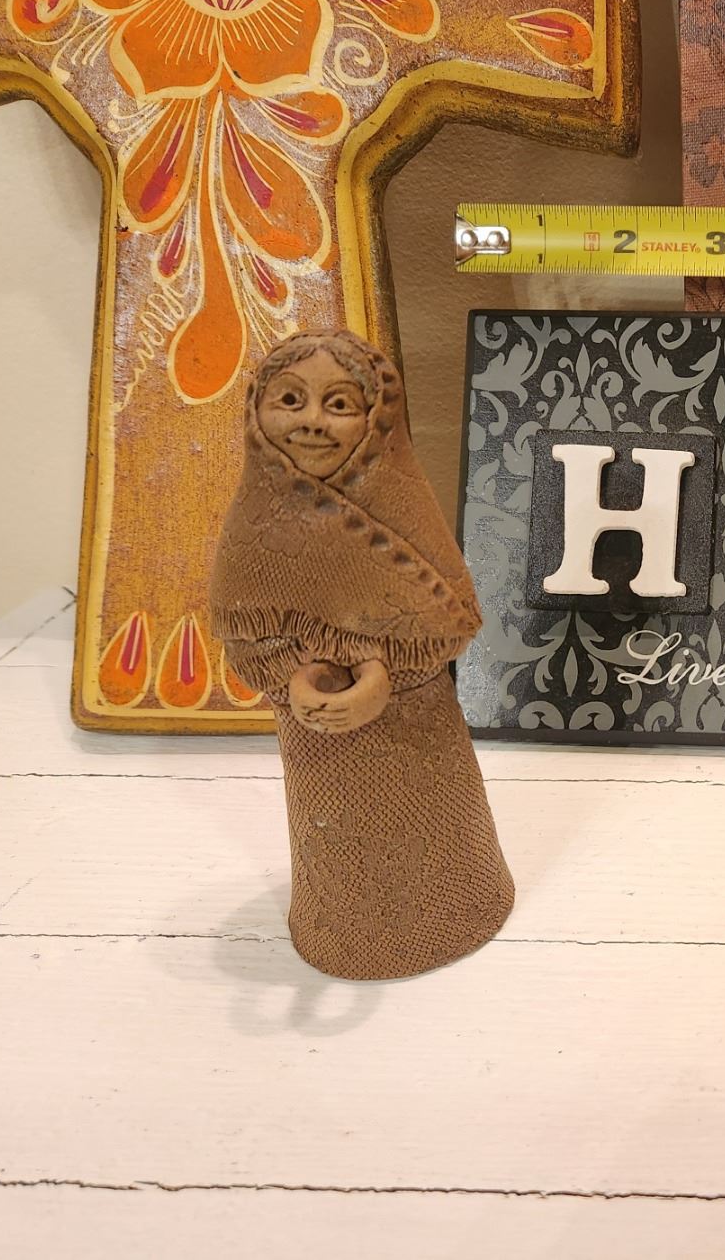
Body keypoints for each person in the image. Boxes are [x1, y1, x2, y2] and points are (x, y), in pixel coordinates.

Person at [209, 328, 513, 980]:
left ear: (377, 422)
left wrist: (383, 676)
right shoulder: (255, 528)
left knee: (436, 834)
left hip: (419, 732)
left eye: (339, 404)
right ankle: (346, 934)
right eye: (291, 400)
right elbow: (244, 630)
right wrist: (292, 677)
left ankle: (457, 912)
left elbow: (449, 623)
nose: (313, 422)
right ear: (257, 414)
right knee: (339, 842)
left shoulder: (405, 513)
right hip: (317, 742)